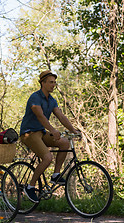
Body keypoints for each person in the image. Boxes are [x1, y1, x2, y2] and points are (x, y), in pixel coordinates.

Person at [20, 70, 80, 203]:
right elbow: (40, 116)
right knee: (47, 157)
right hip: (28, 133)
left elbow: (61, 116)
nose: (53, 85)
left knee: (64, 143)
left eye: (54, 82)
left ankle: (56, 174)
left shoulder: (52, 100)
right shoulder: (35, 97)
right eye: (51, 82)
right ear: (43, 83)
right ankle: (30, 187)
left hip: (41, 133)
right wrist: (52, 129)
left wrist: (74, 130)